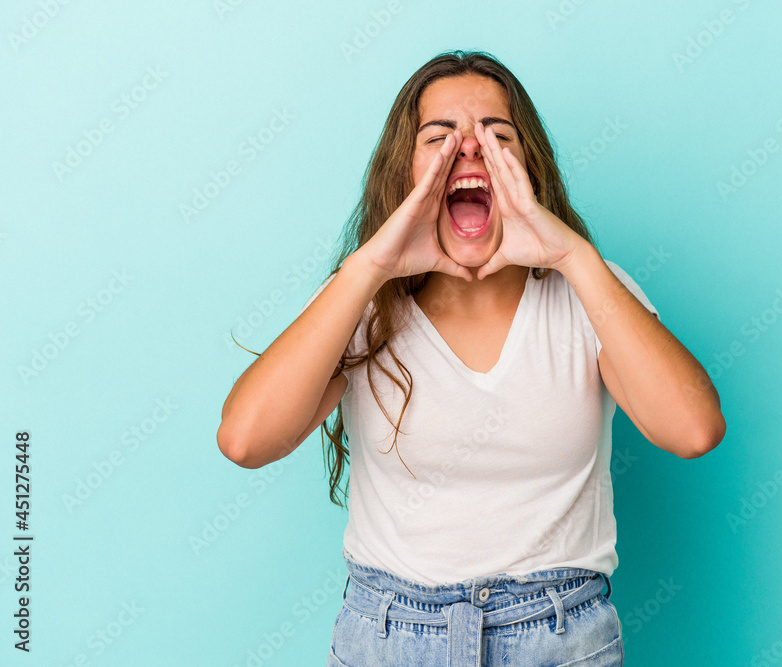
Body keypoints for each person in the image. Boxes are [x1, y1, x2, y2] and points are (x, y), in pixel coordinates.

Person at [218, 49, 726, 666]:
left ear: (527, 163)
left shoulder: (590, 291)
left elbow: (693, 430)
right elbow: (246, 440)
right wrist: (370, 265)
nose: (469, 147)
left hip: (559, 637)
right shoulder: (362, 305)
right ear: (403, 171)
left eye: (496, 133)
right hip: (390, 638)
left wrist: (576, 258)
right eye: (439, 136)